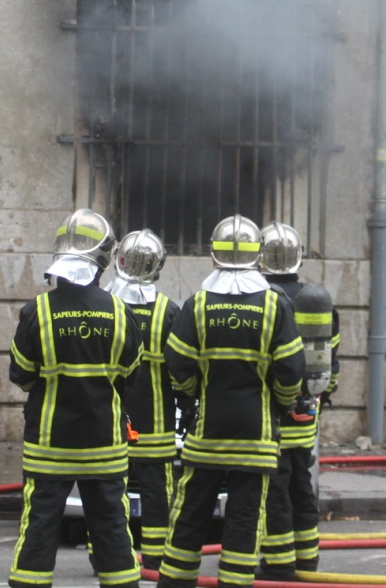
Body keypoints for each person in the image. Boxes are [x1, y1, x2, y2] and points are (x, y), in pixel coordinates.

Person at [157, 215, 305, 588]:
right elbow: (290, 372)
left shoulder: (198, 303)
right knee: (244, 519)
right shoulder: (274, 305)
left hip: (207, 435)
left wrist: (195, 394)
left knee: (190, 513)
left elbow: (177, 364)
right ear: (258, 257)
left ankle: (174, 581)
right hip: (256, 437)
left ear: (213, 255)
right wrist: (279, 403)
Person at [7, 209, 143, 588]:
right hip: (105, 444)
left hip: (49, 447)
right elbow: (131, 373)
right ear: (102, 261)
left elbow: (20, 374)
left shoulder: (37, 312)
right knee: (113, 531)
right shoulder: (121, 312)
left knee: (38, 532)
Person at [256, 222, 341, 580]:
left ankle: (278, 564)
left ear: (261, 259)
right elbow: (332, 362)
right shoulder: (317, 302)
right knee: (302, 487)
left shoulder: (260, 299)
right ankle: (308, 558)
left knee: (274, 492)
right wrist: (322, 397)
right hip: (306, 416)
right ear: (299, 258)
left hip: (270, 417)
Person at [104, 229, 180, 571]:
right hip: (157, 423)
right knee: (156, 493)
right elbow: (182, 370)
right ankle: (154, 557)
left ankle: (106, 555)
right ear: (157, 265)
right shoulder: (168, 310)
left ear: (119, 261)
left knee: (108, 492)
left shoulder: (105, 305)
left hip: (113, 419)